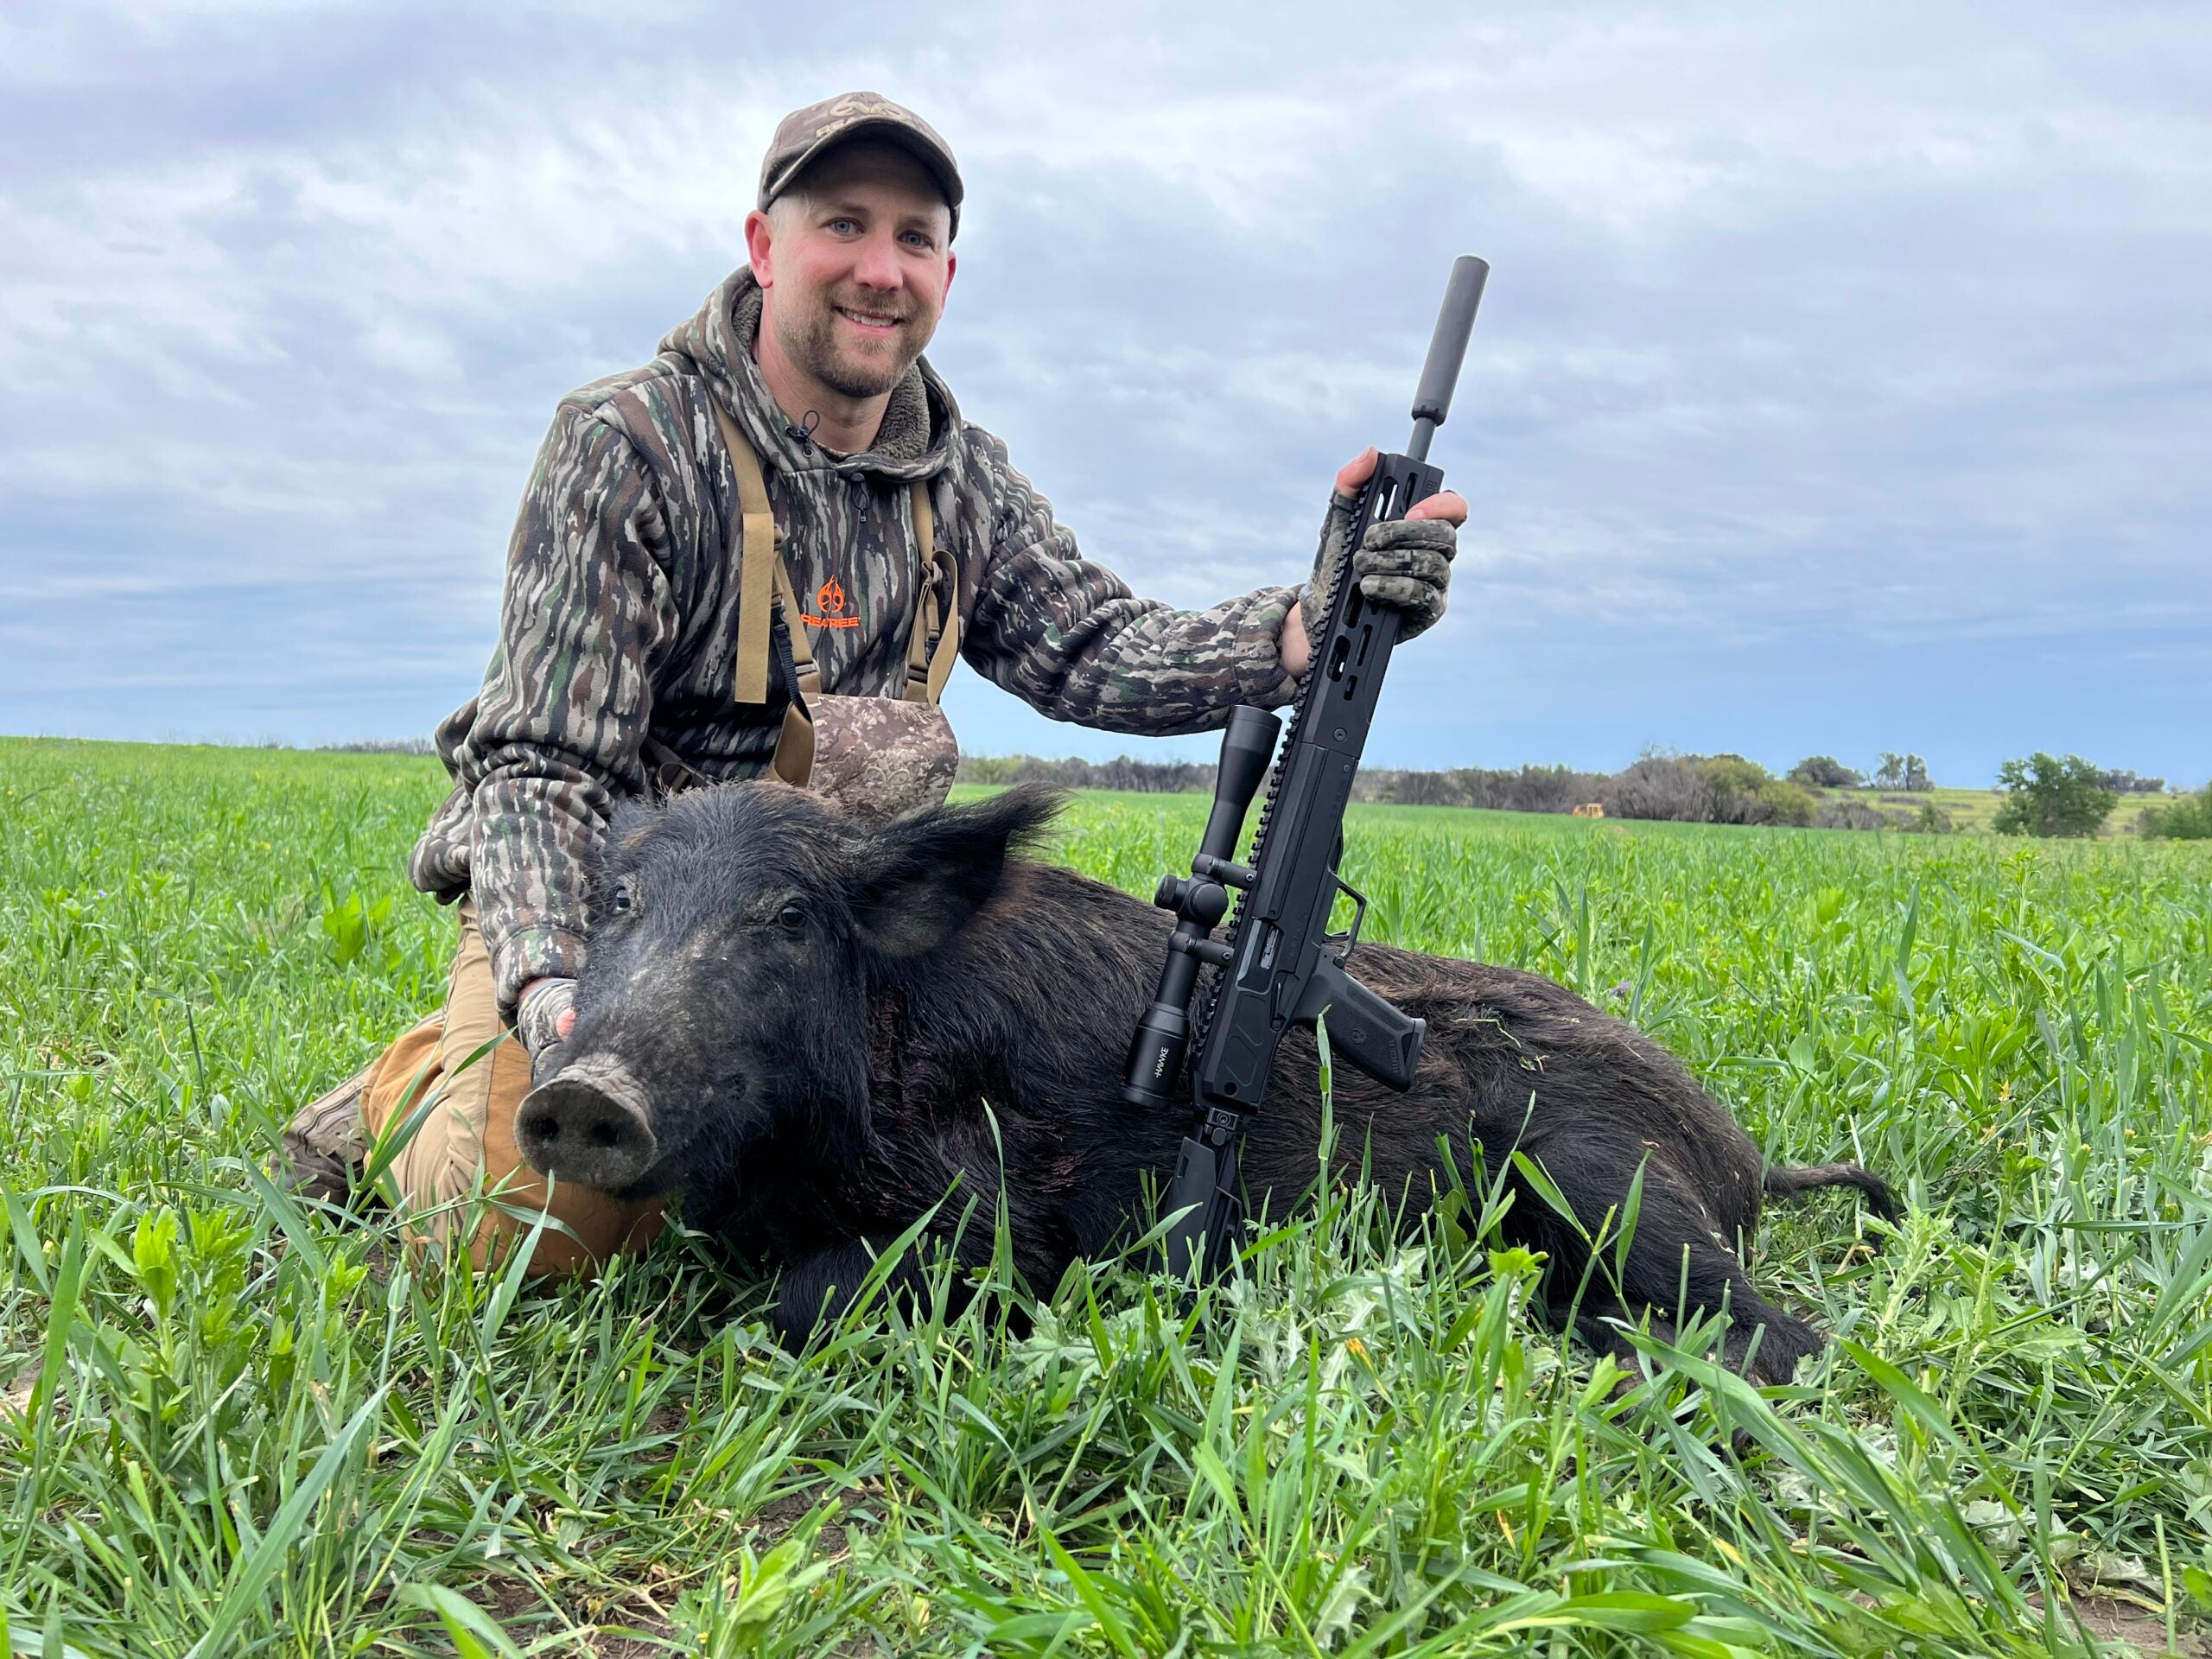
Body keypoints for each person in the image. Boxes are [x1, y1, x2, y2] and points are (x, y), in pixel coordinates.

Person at [281, 91, 1468, 1271]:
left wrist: (1301, 629)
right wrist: (550, 994)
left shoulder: (963, 479)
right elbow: (541, 768)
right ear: (765, 246)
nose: (880, 270)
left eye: (914, 237)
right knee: (528, 1237)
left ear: (948, 272)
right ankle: (405, 1090)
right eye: (842, 225)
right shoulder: (629, 444)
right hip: (626, 911)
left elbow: (1093, 646)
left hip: (834, 931)